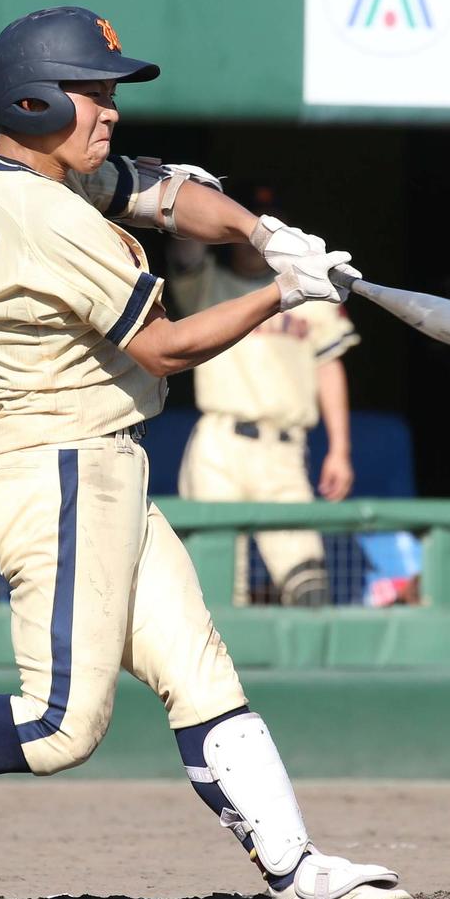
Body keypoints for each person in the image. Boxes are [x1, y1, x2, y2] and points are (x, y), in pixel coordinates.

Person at [0, 5, 415, 899]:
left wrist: (261, 229)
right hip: (58, 468)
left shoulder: (26, 165)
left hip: (100, 459)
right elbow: (162, 348)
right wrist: (284, 290)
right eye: (91, 91)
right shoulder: (44, 217)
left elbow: (158, 191)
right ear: (34, 97)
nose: (109, 109)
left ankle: (298, 873)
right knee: (58, 726)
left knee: (199, 674)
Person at [168, 184, 359, 606]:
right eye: (255, 223)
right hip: (221, 443)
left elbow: (329, 368)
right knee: (213, 587)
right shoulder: (208, 285)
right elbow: (185, 254)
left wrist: (340, 450)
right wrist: (184, 195)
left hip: (284, 451)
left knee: (308, 586)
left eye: (271, 224)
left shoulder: (311, 291)